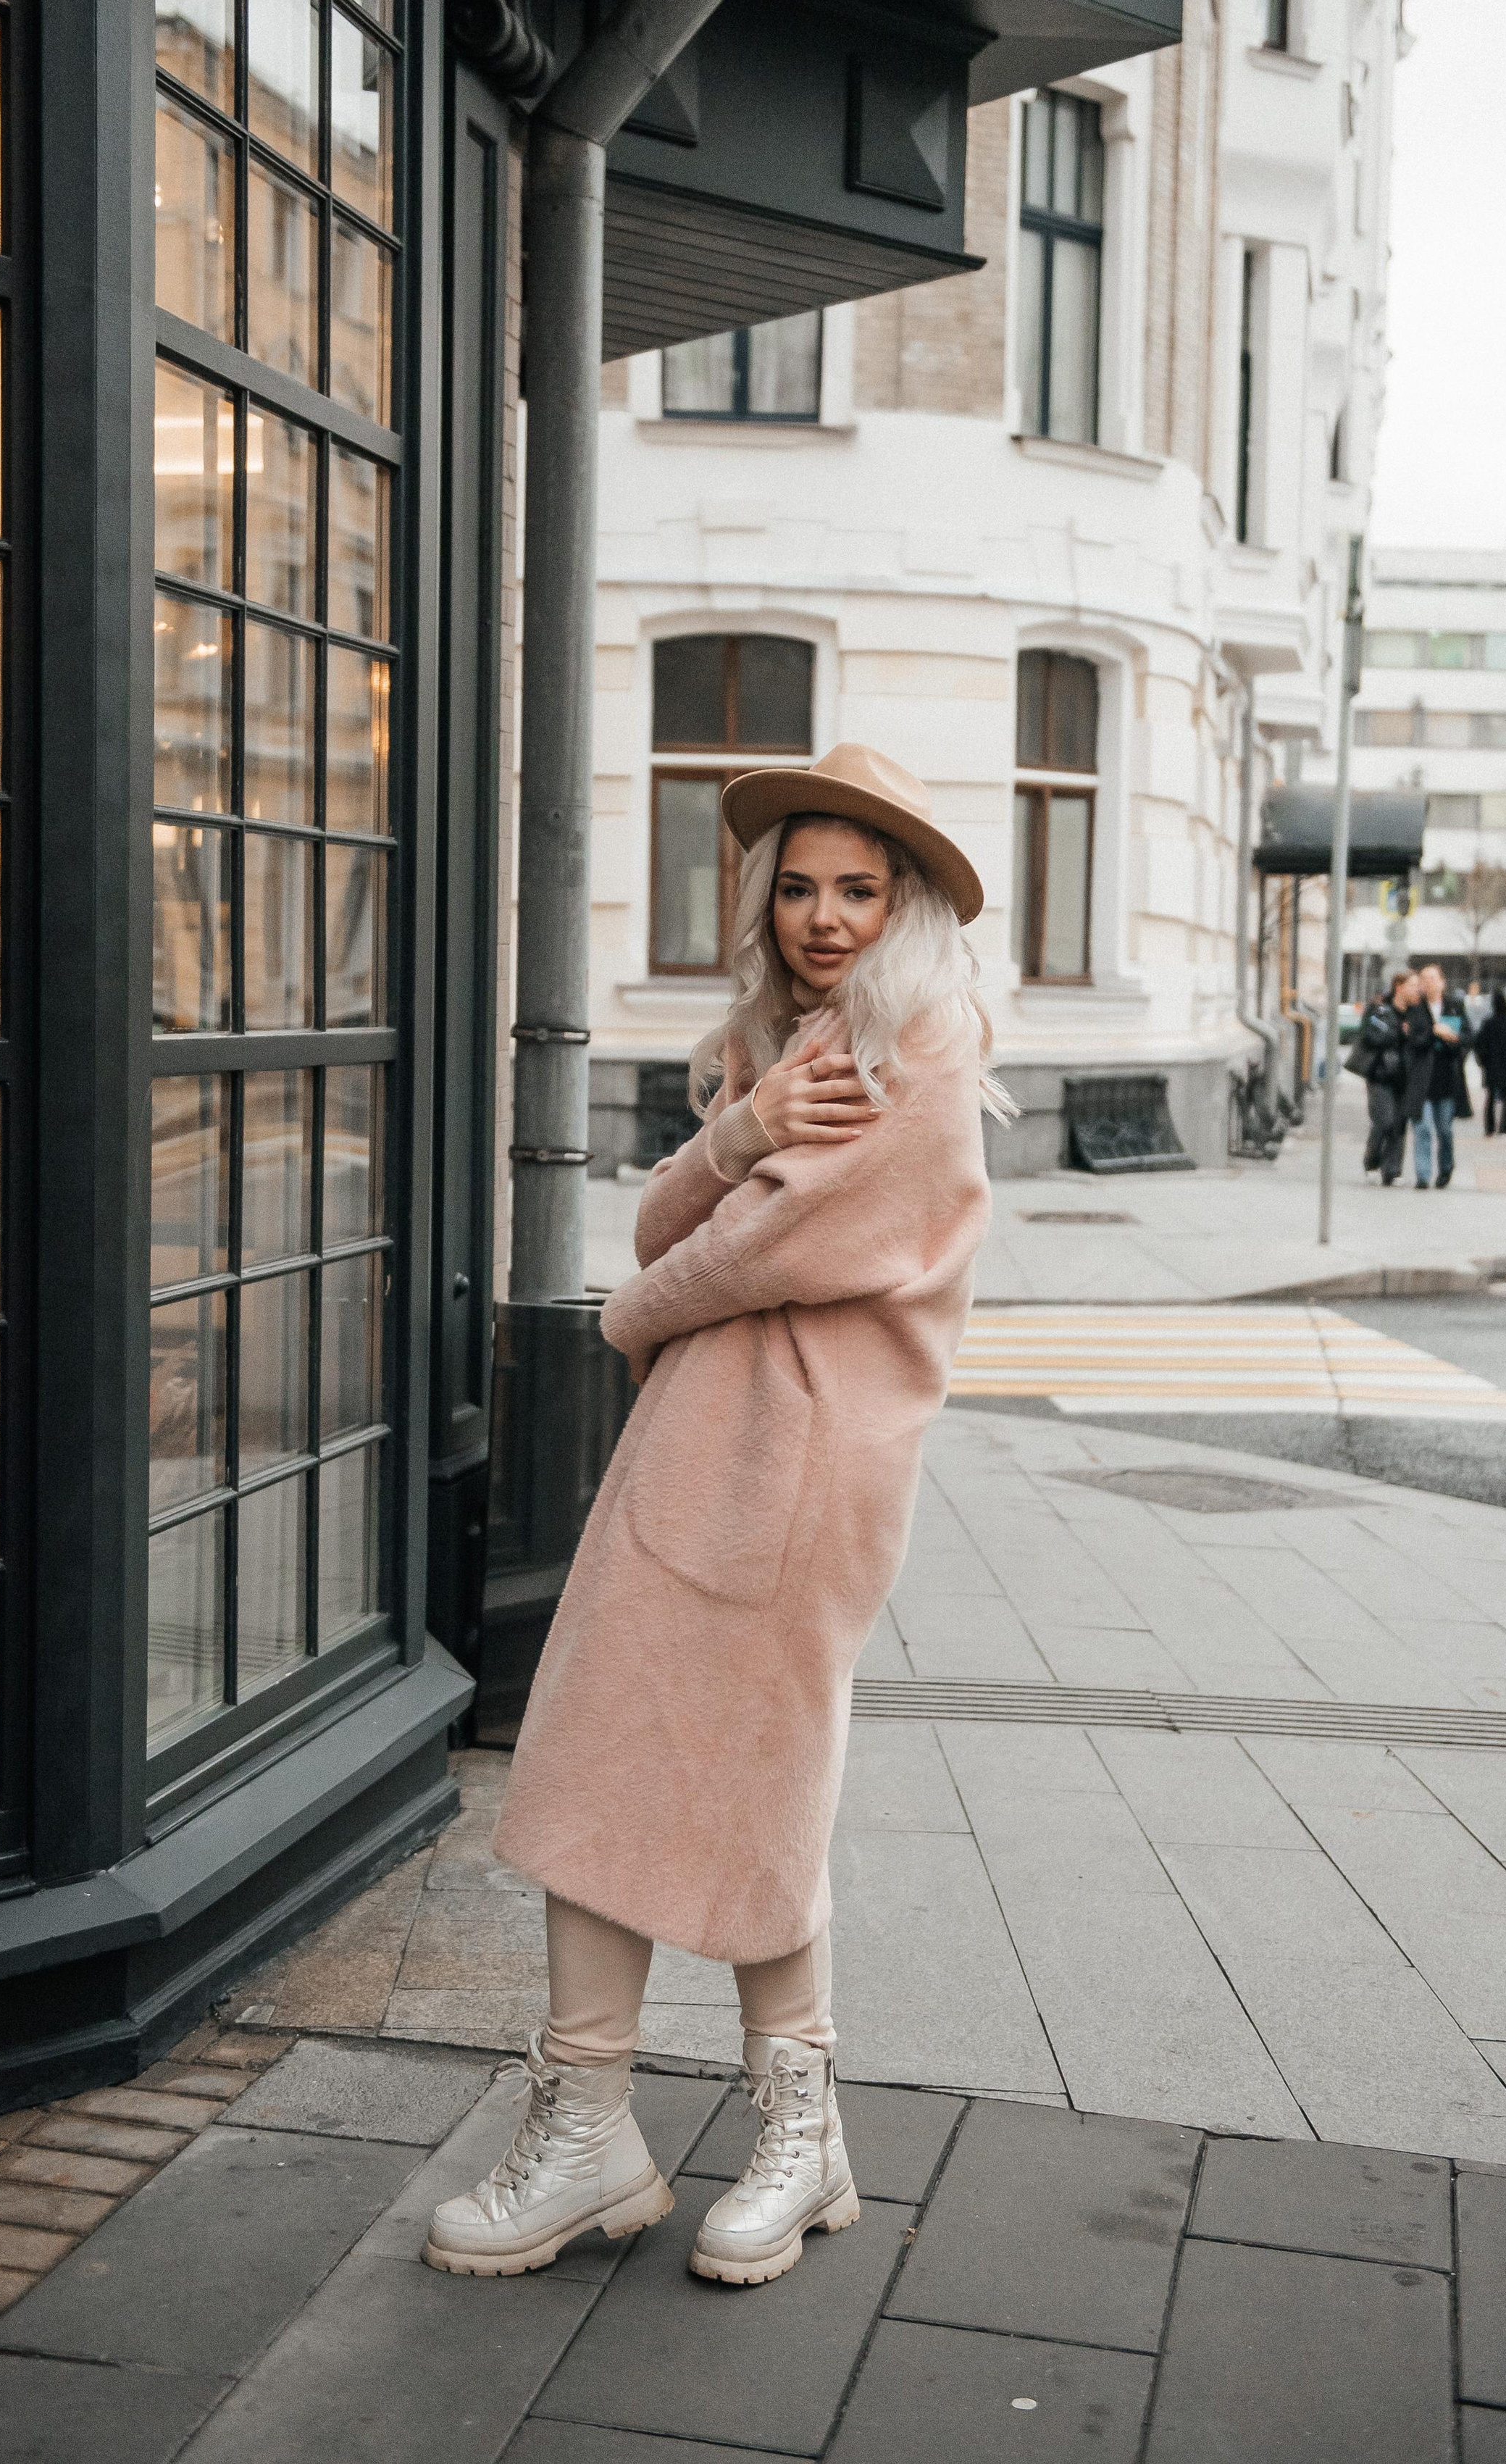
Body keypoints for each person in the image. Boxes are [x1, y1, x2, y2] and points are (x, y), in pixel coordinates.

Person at [423, 746, 1005, 2289]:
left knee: (742, 1775)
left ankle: (771, 2133)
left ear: (911, 907)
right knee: (622, 1752)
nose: (822, 916)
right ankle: (604, 2125)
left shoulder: (920, 1051)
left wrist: (625, 1314)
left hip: (798, 1464)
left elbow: (739, 1260)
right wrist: (735, 1133)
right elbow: (678, 1209)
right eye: (799, 886)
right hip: (714, 1444)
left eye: (857, 891)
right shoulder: (791, 1045)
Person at [1405, 961, 1473, 1187]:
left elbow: (1468, 1037)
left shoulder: (1455, 1006)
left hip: (1447, 1077)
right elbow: (1413, 1041)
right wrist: (1435, 1033)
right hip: (1422, 1079)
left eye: (1432, 979)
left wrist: (1454, 1039)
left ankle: (1445, 1169)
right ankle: (1423, 1176)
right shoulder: (1415, 1008)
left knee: (1445, 1130)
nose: (1428, 983)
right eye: (1423, 979)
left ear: (1442, 983)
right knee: (1422, 1128)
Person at [1350, 970, 1415, 1186]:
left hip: (1405, 1076)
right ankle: (1372, 1163)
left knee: (1399, 1125)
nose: (1417, 990)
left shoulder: (1416, 1013)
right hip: (1381, 1074)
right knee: (1384, 1121)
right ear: (1400, 986)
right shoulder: (1379, 1008)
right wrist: (1399, 1032)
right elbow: (1369, 1035)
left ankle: (1393, 1171)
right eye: (1412, 985)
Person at [1474, 985, 1506, 1135]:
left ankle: (1490, 1127)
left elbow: (1478, 1043)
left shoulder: (1489, 1023)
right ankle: (1505, 1126)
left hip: (1492, 1066)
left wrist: (1483, 1060)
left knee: (1490, 1097)